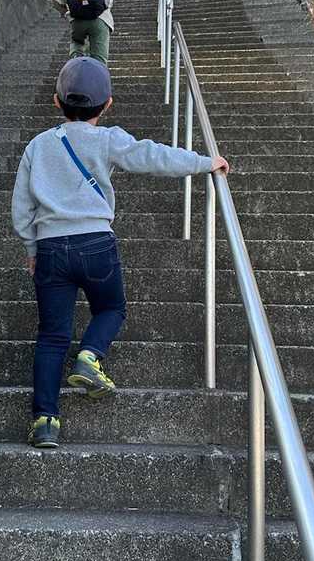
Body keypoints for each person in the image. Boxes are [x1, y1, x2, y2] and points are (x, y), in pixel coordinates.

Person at [11, 57, 229, 449]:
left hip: (51, 248)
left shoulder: (38, 145)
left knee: (52, 335)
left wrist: (32, 248)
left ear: (56, 101)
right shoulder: (109, 139)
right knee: (111, 309)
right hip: (96, 243)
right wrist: (203, 163)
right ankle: (89, 356)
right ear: (108, 104)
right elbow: (153, 156)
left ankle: (45, 421)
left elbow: (21, 207)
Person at [49, 0, 114, 64]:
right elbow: (108, 3)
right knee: (99, 58)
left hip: (78, 21)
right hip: (100, 21)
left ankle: (75, 67)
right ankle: (98, 71)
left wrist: (66, 12)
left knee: (76, 52)